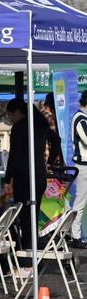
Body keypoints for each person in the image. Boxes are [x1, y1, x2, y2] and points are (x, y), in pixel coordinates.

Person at [6, 97, 57, 257]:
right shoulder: (40, 125)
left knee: (24, 215)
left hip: (23, 176)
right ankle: (32, 249)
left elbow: (13, 155)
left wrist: (8, 179)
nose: (10, 118)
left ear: (16, 112)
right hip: (39, 173)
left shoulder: (19, 127)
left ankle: (28, 253)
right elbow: (57, 140)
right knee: (33, 215)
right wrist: (49, 162)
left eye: (10, 114)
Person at [71, 92, 87, 247]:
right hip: (83, 166)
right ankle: (75, 236)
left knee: (80, 201)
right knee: (80, 201)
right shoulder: (80, 119)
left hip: (84, 166)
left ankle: (76, 235)